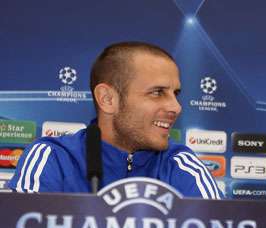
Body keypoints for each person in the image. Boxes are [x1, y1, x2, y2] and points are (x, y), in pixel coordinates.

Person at [9, 41, 223, 199]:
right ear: (107, 99)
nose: (176, 107)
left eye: (175, 93)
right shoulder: (53, 157)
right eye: (157, 92)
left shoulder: (180, 165)